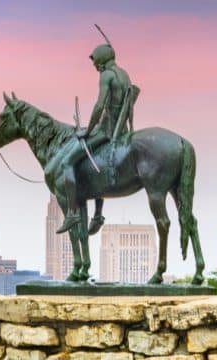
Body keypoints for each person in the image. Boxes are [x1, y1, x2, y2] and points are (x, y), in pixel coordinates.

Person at [47, 42, 138, 234]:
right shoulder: (124, 74)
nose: (95, 67)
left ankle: (72, 213)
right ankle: (97, 215)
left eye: (95, 63)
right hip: (121, 131)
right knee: (94, 164)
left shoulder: (107, 75)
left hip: (105, 130)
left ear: (101, 59)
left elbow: (99, 106)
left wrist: (88, 131)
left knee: (67, 163)